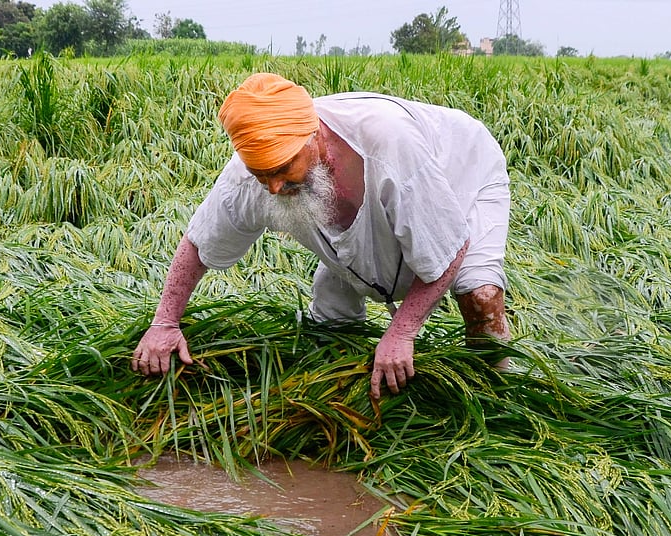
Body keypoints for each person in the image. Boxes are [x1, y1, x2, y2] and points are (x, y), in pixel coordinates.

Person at [132, 73, 511, 399]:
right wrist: (164, 323)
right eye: (262, 175)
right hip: (374, 213)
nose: (274, 187)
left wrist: (402, 332)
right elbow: (200, 243)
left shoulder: (389, 143)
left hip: (462, 174)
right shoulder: (252, 174)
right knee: (331, 327)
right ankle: (345, 377)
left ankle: (496, 395)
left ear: (315, 137)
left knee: (479, 295)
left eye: (282, 169)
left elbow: (450, 247)